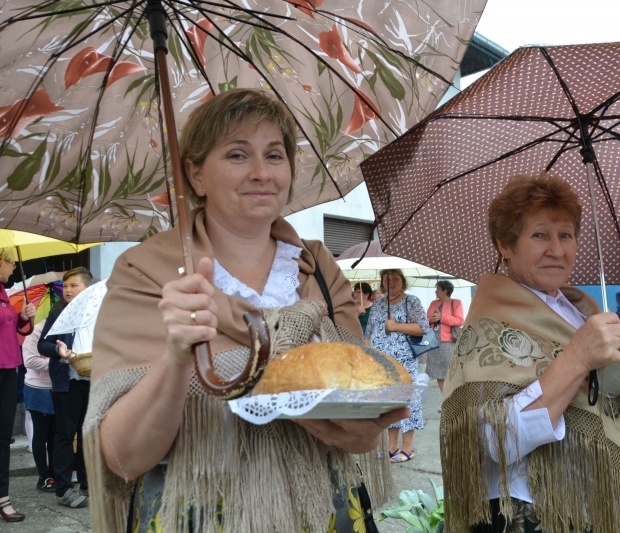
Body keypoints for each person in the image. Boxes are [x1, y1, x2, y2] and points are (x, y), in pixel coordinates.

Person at [84, 88, 408, 532]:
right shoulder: (147, 272)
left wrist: (363, 425)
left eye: (275, 156)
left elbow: (361, 423)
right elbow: (123, 456)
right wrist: (178, 359)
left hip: (325, 512)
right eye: (237, 155)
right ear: (195, 176)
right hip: (198, 513)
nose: (261, 173)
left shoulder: (319, 267)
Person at [440, 172, 620, 533]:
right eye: (539, 235)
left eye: (566, 235)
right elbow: (496, 441)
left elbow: (586, 409)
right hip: (530, 511)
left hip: (592, 505)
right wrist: (577, 357)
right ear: (505, 244)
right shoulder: (490, 323)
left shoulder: (580, 311)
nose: (557, 250)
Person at [37, 266, 93, 509]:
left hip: (94, 378)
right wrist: (59, 351)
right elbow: (43, 344)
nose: (68, 290)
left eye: (74, 285)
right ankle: (63, 488)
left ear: (87, 288)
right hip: (66, 381)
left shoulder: (97, 311)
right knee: (65, 433)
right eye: (66, 286)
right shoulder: (58, 311)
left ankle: (87, 483)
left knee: (88, 433)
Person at [365, 268, 429, 464]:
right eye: (386, 279)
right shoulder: (378, 305)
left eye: (395, 279)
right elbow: (369, 332)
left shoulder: (412, 301)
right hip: (381, 363)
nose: (390, 282)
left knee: (406, 400)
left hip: (404, 361)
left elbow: (423, 328)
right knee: (388, 402)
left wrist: (396, 326)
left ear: (402, 281)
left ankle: (407, 448)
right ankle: (391, 447)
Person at [0, 247, 36, 523]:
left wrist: (23, 316)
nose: (12, 267)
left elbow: (11, 329)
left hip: (8, 370)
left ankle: (3, 497)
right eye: (7, 261)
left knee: (2, 438)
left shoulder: (3, 293)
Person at [22, 321, 57, 493]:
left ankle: (54, 473)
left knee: (54, 434)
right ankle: (44, 477)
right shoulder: (36, 330)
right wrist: (57, 361)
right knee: (41, 434)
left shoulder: (65, 328)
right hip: (38, 387)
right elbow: (29, 361)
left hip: (57, 386)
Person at [425, 280, 464, 392]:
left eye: (437, 289)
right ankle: (444, 400)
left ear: (444, 291)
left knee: (449, 372)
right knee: (439, 374)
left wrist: (442, 317)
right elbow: (426, 319)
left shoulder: (456, 303)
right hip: (433, 341)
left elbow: (460, 321)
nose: (435, 291)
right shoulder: (433, 303)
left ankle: (451, 398)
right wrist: (431, 320)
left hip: (448, 342)